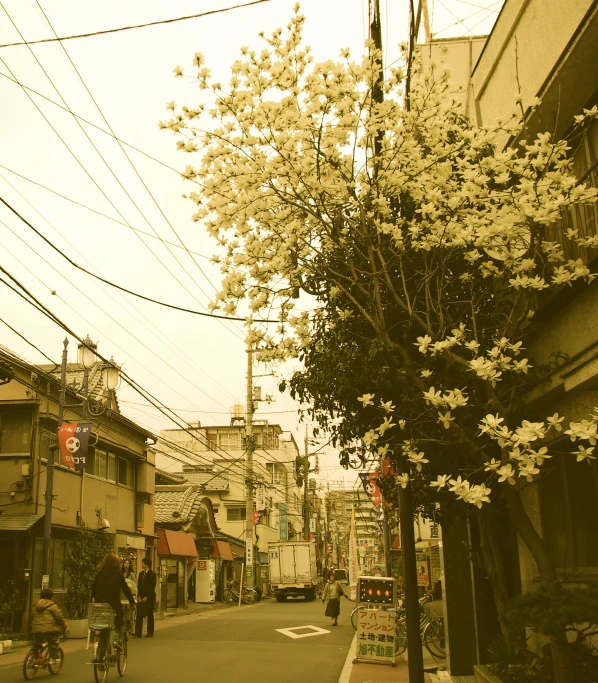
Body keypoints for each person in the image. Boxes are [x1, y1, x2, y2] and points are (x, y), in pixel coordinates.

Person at [92, 552, 135, 648]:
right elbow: (126, 590)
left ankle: (99, 653)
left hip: (99, 609)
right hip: (113, 607)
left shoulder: (99, 574)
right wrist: (132, 602)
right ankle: (119, 641)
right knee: (122, 623)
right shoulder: (118, 575)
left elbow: (93, 591)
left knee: (102, 626)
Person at [30, 588, 67, 660]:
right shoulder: (52, 605)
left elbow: (32, 616)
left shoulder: (35, 605)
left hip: (36, 628)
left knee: (37, 644)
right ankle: (53, 659)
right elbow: (59, 617)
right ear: (51, 597)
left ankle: (32, 656)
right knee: (54, 642)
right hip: (49, 629)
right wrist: (64, 624)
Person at [135, 557, 156, 638]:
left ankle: (150, 631)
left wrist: (147, 597)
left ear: (146, 564)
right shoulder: (141, 574)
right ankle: (138, 632)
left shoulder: (152, 574)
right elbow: (139, 586)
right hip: (141, 596)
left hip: (149, 597)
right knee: (139, 614)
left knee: (150, 614)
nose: (141, 564)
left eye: (142, 563)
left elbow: (152, 587)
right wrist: (139, 596)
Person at [121, 559, 137, 636]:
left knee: (131, 613)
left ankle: (131, 629)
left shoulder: (131, 574)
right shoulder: (121, 573)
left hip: (129, 594)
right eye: (125, 563)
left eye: (127, 563)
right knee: (123, 612)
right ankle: (124, 628)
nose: (126, 564)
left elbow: (134, 585)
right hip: (121, 595)